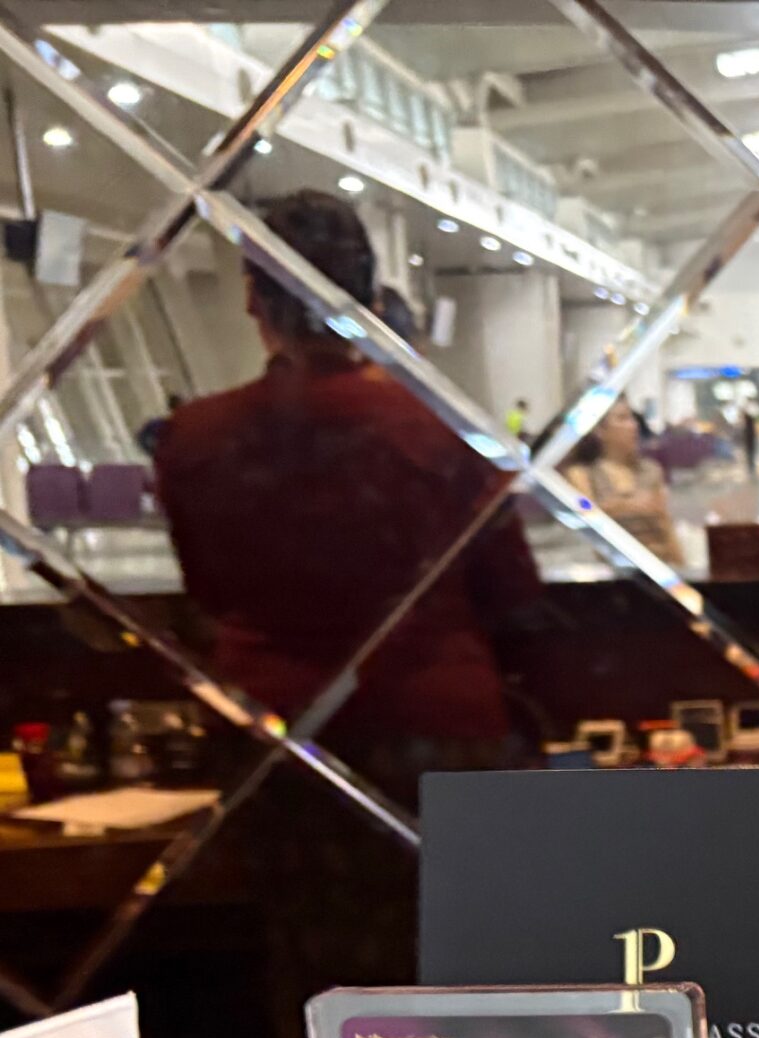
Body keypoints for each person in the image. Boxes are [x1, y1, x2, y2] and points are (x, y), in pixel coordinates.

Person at [153, 188, 537, 783]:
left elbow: (206, 591)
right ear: (371, 301)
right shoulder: (445, 429)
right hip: (437, 724)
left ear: (253, 300)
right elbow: (509, 586)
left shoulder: (195, 435)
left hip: (269, 727)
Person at [565, 399, 680, 567]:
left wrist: (679, 562)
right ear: (601, 430)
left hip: (658, 561)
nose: (633, 426)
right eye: (622, 418)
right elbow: (585, 511)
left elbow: (665, 525)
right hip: (613, 566)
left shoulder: (650, 470)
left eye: (632, 419)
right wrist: (626, 505)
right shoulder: (583, 474)